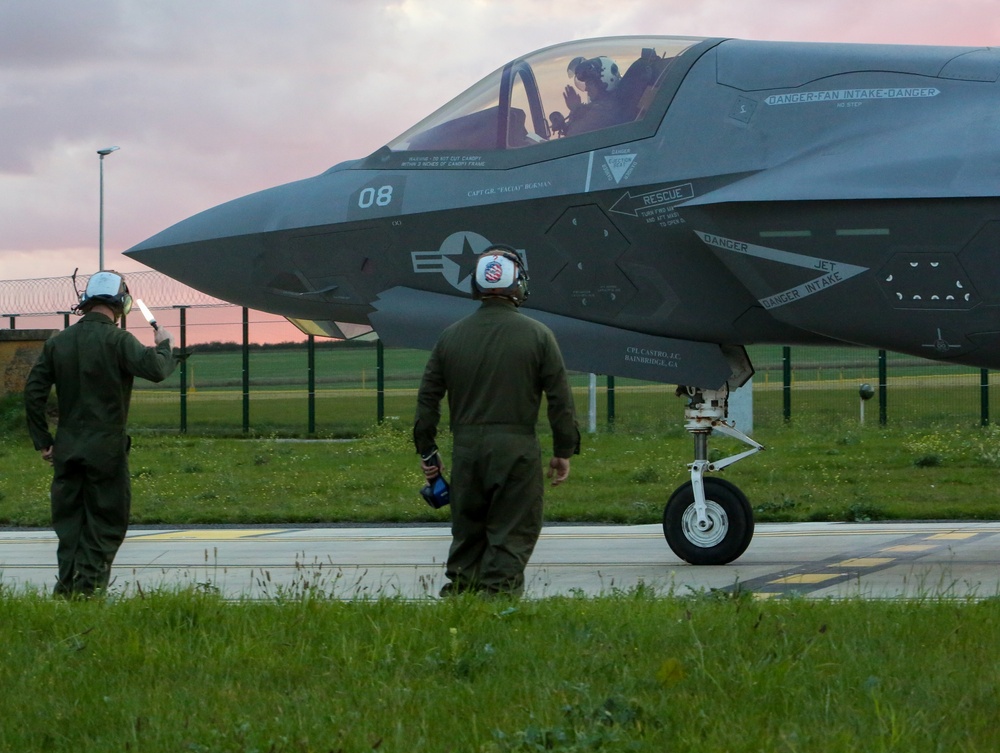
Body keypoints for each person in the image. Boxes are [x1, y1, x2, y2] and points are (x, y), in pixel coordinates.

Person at [413, 245, 580, 597]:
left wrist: (428, 452)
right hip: (516, 450)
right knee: (512, 532)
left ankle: (461, 601)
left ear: (475, 285)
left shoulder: (450, 336)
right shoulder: (538, 335)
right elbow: (560, 400)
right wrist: (563, 450)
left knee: (467, 535)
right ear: (517, 284)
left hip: (467, 451)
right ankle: (497, 605)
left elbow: (428, 398)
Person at [24, 271, 178, 598]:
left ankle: (66, 592)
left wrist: (44, 441)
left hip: (66, 449)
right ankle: (88, 594)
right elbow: (156, 370)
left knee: (70, 528)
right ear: (121, 302)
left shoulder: (57, 343)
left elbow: (33, 393)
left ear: (85, 301)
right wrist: (166, 345)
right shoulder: (119, 341)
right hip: (106, 452)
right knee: (105, 524)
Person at [550, 55, 626, 137]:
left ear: (604, 81)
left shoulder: (606, 110)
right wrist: (563, 125)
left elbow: (573, 135)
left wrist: (576, 108)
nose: (586, 89)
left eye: (589, 83)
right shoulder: (604, 105)